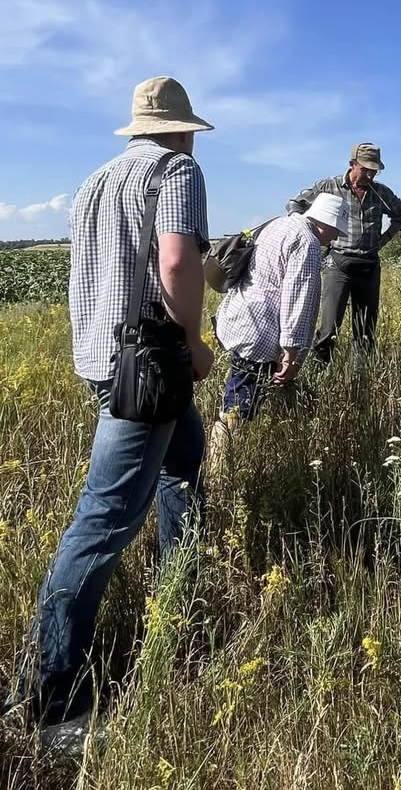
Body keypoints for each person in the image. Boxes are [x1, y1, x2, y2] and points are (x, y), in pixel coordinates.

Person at [11, 77, 215, 739]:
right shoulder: (177, 169)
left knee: (184, 459)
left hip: (106, 358)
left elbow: (93, 273)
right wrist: (192, 344)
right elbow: (179, 263)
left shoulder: (95, 181)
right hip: (150, 366)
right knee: (101, 523)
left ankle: (179, 589)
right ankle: (52, 699)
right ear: (181, 129)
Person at [211, 193, 350, 436]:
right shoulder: (307, 242)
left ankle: (223, 458)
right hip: (259, 334)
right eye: (336, 229)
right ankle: (219, 466)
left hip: (240, 319)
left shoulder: (279, 224)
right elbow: (298, 301)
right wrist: (290, 355)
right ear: (326, 222)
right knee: (237, 412)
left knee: (241, 396)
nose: (336, 236)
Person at [286, 143, 401, 364]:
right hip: (338, 265)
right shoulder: (329, 186)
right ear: (352, 164)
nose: (370, 175)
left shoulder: (381, 193)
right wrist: (309, 237)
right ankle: (320, 373)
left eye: (374, 171)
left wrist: (384, 239)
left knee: (365, 330)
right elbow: (295, 204)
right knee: (328, 328)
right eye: (365, 169)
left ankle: (361, 379)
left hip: (369, 265)